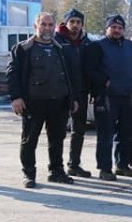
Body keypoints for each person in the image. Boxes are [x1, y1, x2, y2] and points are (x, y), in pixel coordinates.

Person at [7, 12, 81, 187]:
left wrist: (73, 98)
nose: (47, 28)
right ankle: (29, 174)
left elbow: (71, 76)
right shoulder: (23, 49)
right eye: (43, 24)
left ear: (55, 27)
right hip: (33, 103)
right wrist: (16, 97)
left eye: (50, 25)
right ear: (36, 26)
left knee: (57, 139)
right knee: (29, 140)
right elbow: (12, 74)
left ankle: (56, 171)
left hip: (59, 102)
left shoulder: (61, 49)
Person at [85, 14, 132, 181]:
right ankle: (104, 168)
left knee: (125, 134)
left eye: (120, 28)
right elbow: (90, 70)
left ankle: (122, 165)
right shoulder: (97, 46)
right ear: (107, 28)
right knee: (106, 135)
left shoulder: (130, 46)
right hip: (106, 97)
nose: (116, 30)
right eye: (113, 27)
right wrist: (104, 82)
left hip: (126, 96)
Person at [54, 8, 93, 177]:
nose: (75, 25)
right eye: (72, 22)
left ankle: (74, 164)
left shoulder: (87, 43)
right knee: (58, 131)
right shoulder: (56, 41)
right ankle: (56, 166)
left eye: (78, 22)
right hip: (61, 92)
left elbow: (91, 68)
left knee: (79, 130)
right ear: (66, 23)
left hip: (81, 92)